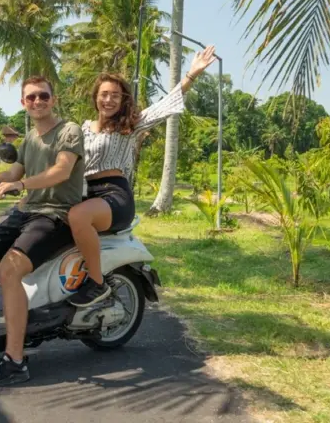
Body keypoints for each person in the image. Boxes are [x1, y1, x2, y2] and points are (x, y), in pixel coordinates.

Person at [66, 46, 218, 307]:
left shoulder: (130, 125)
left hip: (114, 195)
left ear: (123, 100)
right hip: (86, 194)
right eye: (104, 95)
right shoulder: (81, 129)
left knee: (77, 217)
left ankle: (96, 284)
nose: (109, 100)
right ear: (95, 98)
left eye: (115, 95)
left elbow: (163, 107)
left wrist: (191, 75)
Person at [0, 75, 85, 388]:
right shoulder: (29, 139)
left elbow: (61, 171)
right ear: (23, 103)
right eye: (31, 97)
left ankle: (15, 361)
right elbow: (14, 172)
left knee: (9, 270)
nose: (37, 101)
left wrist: (20, 185)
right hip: (25, 210)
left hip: (56, 215)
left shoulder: (68, 130)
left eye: (43, 96)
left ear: (53, 99)